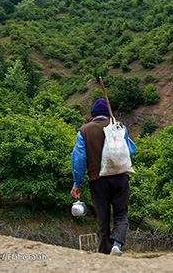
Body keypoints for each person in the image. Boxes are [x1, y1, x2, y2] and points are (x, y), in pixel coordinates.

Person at [70, 98, 136, 256]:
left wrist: (77, 183)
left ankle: (104, 255)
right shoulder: (119, 126)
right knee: (121, 215)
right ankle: (117, 245)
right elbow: (130, 150)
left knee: (103, 219)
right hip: (120, 178)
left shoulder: (84, 131)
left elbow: (78, 158)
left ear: (93, 115)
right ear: (107, 114)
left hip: (98, 180)